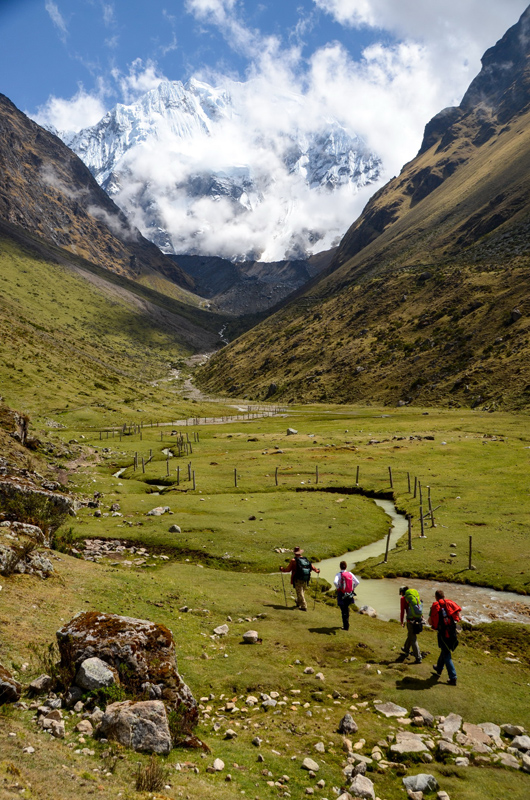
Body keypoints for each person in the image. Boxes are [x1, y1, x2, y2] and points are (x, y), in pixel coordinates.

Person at [428, 589, 461, 686]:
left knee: (446, 654)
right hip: (452, 632)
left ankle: (453, 677)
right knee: (444, 650)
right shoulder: (450, 603)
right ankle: (439, 668)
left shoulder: (435, 606)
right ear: (444, 596)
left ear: (436, 597)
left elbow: (430, 622)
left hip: (443, 633)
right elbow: (459, 616)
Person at [280, 546, 320, 611]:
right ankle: (298, 603)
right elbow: (312, 567)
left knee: (300, 592)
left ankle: (304, 606)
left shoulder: (293, 560)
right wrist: (317, 571)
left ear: (295, 553)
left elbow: (288, 570)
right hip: (305, 578)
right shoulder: (305, 559)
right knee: (301, 592)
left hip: (297, 578)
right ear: (300, 552)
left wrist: (282, 569)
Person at [399, 586, 423, 663]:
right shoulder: (415, 596)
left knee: (413, 638)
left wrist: (401, 621)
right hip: (418, 618)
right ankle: (406, 649)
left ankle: (418, 657)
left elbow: (402, 611)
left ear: (402, 592)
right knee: (411, 634)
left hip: (410, 620)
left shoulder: (403, 599)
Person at [334, 561, 359, 630]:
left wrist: (338, 587)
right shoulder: (350, 573)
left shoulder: (338, 574)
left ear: (340, 567)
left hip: (342, 594)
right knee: (346, 608)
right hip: (349, 594)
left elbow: (335, 582)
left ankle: (345, 626)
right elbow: (357, 582)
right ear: (346, 566)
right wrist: (352, 589)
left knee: (343, 610)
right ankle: (346, 625)